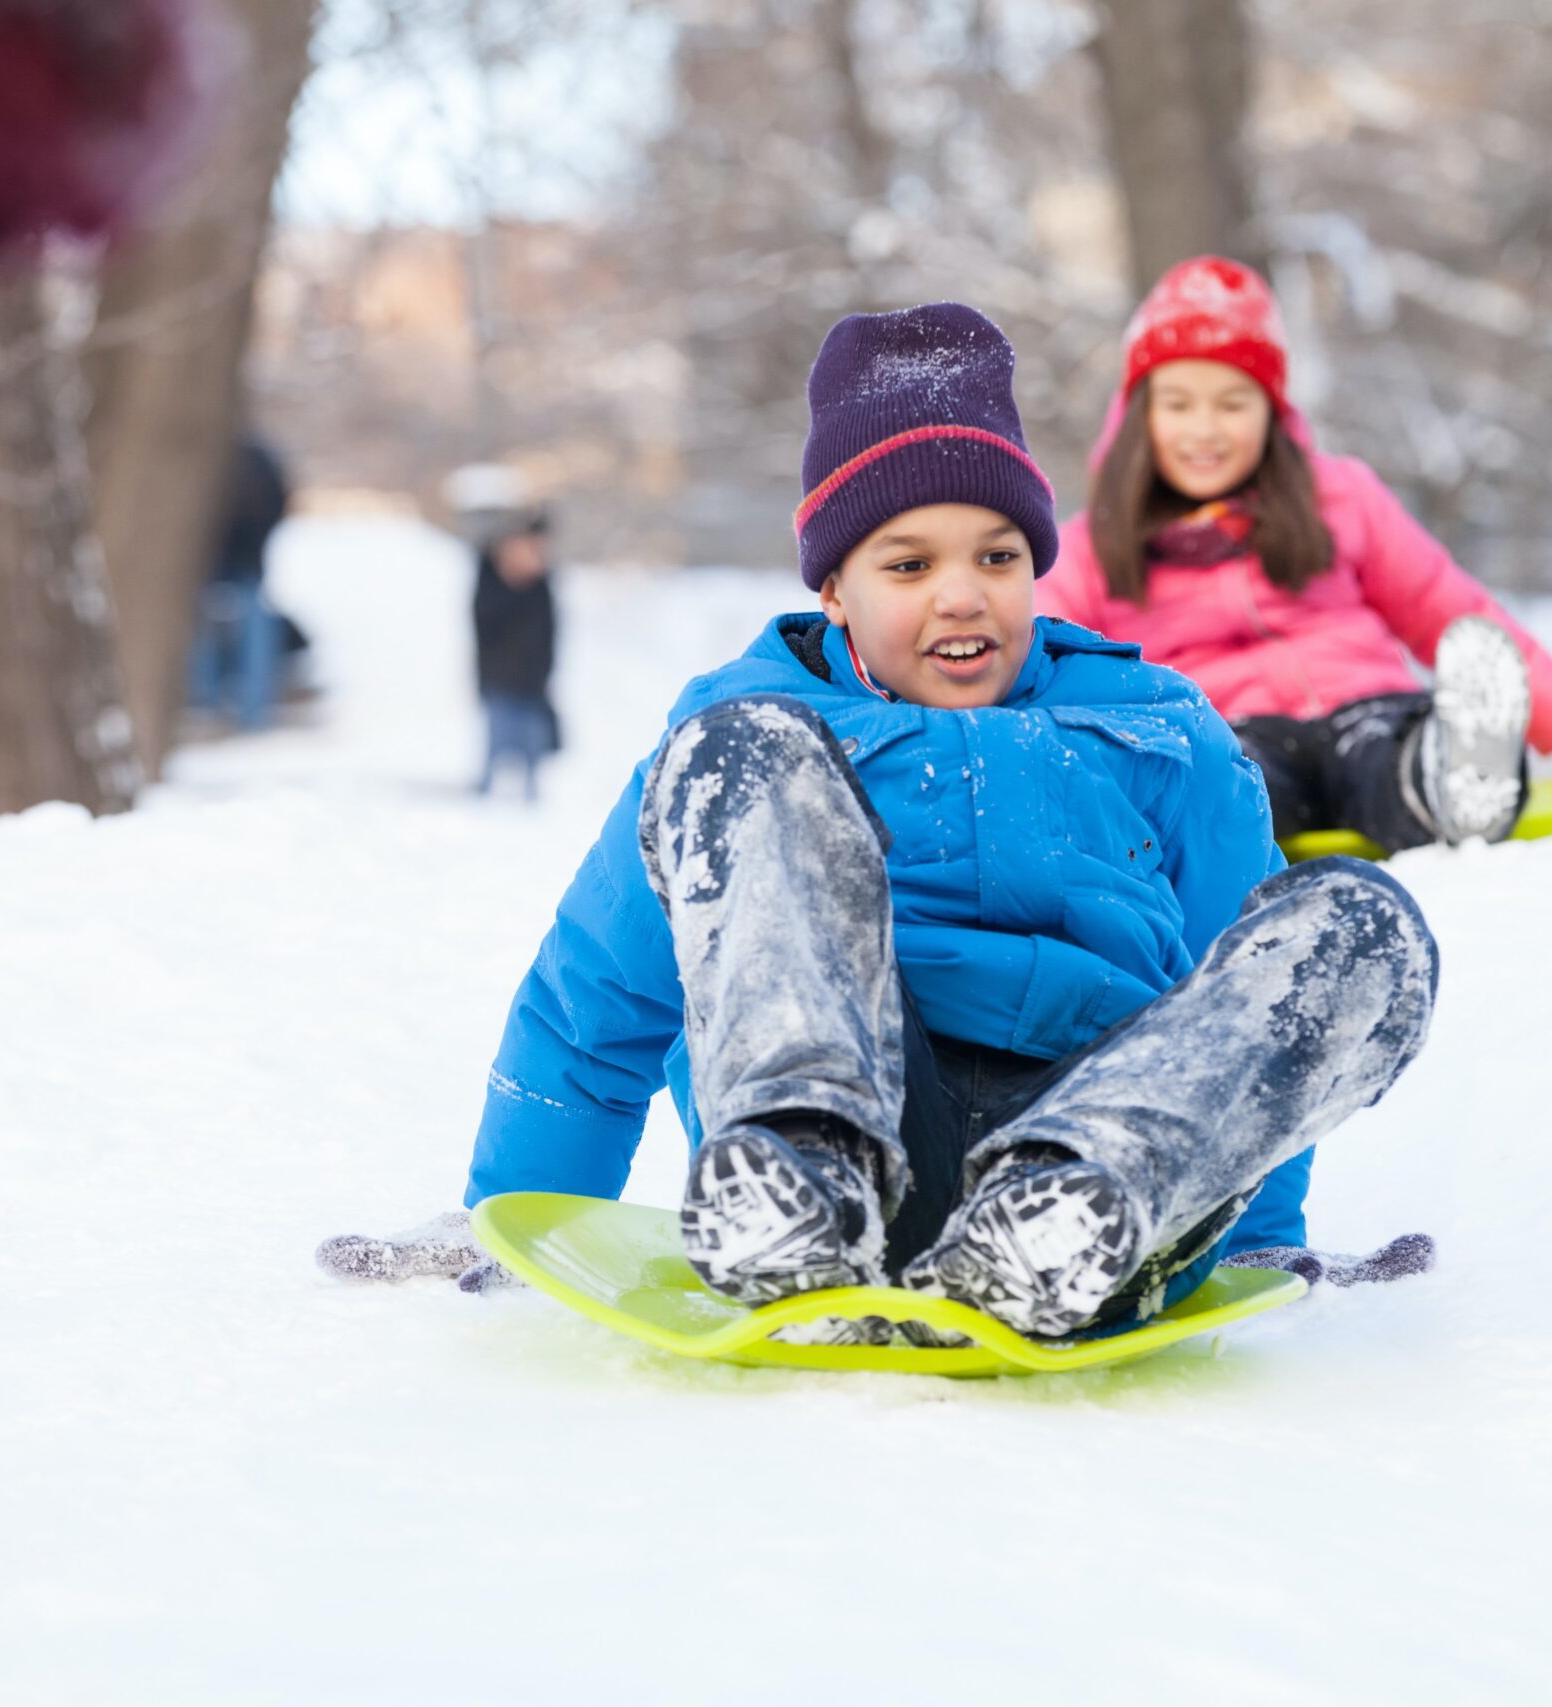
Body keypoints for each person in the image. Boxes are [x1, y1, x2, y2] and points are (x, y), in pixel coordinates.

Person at [325, 304, 1442, 1341]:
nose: (962, 595)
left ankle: (1060, 1220)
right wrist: (516, 1215)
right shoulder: (746, 732)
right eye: (908, 565)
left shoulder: (1160, 729)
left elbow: (1241, 1000)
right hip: (855, 1126)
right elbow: (597, 996)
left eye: (997, 558)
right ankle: (798, 1183)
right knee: (740, 750)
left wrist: (1255, 1239)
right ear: (835, 591)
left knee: (1358, 923)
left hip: (1107, 1155)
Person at [1037, 256, 1552, 854]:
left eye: (1232, 403)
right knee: (1232, 780)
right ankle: (1201, 829)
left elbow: (1447, 607)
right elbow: (1031, 644)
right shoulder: (1096, 543)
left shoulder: (1337, 497)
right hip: (1227, 730)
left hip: (1368, 703)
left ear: (1272, 412)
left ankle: (1452, 775)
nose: (1205, 428)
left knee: (1387, 755)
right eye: (1179, 404)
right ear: (1138, 416)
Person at [186, 434, 292, 733]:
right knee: (213, 635)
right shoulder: (202, 457)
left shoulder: (253, 459)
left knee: (243, 632)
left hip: (239, 561)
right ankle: (224, 707)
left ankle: (244, 710)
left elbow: (276, 503)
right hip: (217, 562)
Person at [471, 508, 559, 801]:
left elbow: (549, 630)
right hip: (500, 674)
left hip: (533, 677)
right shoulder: (491, 575)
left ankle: (530, 793)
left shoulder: (541, 583)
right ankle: (485, 791)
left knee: (532, 741)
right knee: (497, 739)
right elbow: (486, 621)